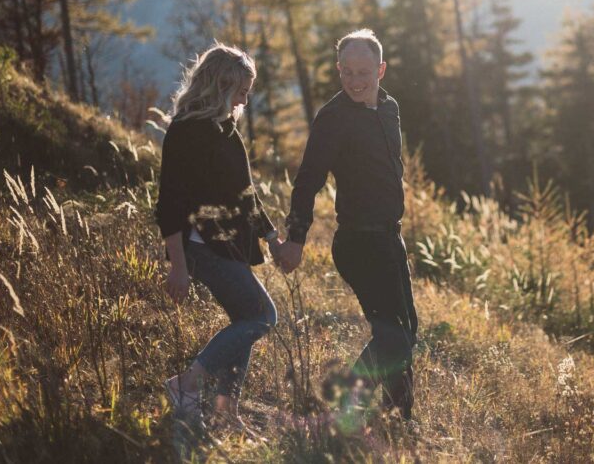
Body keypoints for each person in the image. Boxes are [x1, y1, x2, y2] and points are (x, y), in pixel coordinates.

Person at [271, 28, 419, 420]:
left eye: (364, 72)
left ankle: (399, 417)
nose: (355, 81)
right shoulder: (333, 118)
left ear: (381, 70)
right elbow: (308, 181)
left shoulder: (390, 108)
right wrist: (296, 239)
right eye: (347, 72)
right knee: (394, 338)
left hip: (390, 239)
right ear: (339, 70)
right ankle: (341, 407)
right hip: (358, 244)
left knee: (407, 333)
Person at [155, 43, 281, 435]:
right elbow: (169, 202)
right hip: (202, 244)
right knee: (262, 316)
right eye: (241, 90)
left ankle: (226, 412)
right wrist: (178, 264)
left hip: (230, 243)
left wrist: (272, 237)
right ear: (219, 85)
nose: (245, 99)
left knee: (246, 318)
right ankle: (186, 384)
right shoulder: (187, 129)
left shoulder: (224, 128)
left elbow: (245, 193)